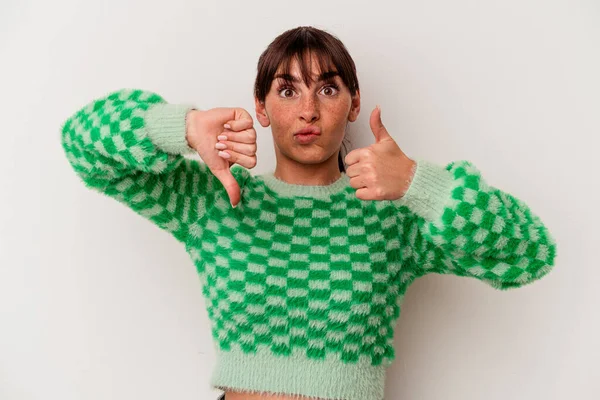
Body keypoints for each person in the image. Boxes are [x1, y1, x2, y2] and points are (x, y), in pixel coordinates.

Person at [60, 26, 557, 400]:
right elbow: (82, 143)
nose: (308, 112)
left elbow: (529, 252)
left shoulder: (393, 217)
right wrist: (183, 128)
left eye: (327, 88)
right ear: (261, 105)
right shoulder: (214, 201)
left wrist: (416, 183)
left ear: (354, 103)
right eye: (287, 90)